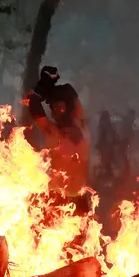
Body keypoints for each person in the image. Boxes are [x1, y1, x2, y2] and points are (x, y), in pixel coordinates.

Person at [24, 66, 91, 213]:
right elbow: (74, 102)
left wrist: (38, 92)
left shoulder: (55, 133)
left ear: (68, 108)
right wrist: (56, 90)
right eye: (53, 109)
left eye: (59, 108)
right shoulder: (83, 128)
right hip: (64, 200)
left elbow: (35, 108)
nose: (54, 113)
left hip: (68, 202)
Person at [95, 110, 117, 181]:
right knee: (106, 161)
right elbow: (109, 137)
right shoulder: (106, 125)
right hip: (105, 146)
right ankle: (104, 176)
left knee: (105, 161)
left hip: (104, 146)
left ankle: (105, 176)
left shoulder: (102, 125)